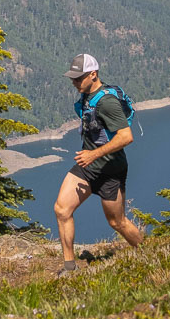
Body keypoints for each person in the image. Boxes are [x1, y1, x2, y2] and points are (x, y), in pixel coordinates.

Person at [53, 52, 144, 274]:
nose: (74, 82)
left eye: (78, 78)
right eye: (73, 78)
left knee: (117, 222)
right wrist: (90, 156)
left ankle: (149, 253)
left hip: (110, 170)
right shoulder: (87, 95)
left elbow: (126, 136)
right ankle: (69, 267)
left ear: (93, 74)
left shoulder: (108, 103)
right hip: (87, 166)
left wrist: (93, 155)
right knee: (62, 209)